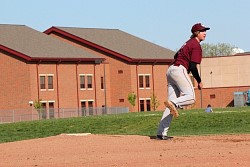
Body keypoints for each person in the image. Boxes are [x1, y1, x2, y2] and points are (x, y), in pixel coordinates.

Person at [156, 23, 210, 140]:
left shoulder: (187, 43)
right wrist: (199, 81)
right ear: (196, 33)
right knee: (191, 97)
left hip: (171, 70)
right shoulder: (195, 45)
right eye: (202, 31)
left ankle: (161, 133)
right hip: (179, 70)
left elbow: (176, 55)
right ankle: (175, 104)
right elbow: (192, 66)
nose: (205, 32)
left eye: (205, 30)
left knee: (170, 104)